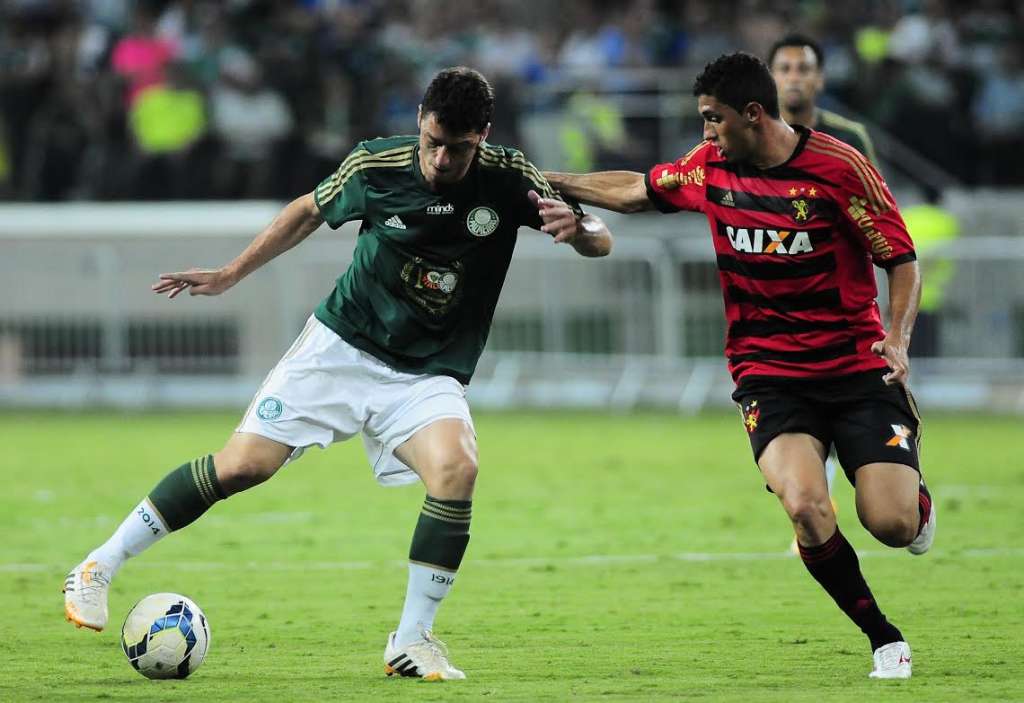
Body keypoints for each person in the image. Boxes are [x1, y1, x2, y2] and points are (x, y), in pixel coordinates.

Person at [63, 66, 614, 681]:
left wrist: (583, 230)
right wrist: (229, 274)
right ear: (420, 125)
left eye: (456, 148)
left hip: (425, 373)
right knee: (243, 466)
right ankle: (97, 566)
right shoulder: (375, 167)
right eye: (432, 142)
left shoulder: (510, 178)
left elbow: (598, 238)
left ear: (481, 136)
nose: (440, 159)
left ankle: (412, 640)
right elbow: (305, 211)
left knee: (457, 468)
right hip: (340, 350)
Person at [545, 52, 934, 680]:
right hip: (769, 373)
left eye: (711, 119)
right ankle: (882, 636)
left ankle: (914, 496)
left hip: (856, 369)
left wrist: (899, 340)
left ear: (752, 115)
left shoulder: (840, 168)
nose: (704, 132)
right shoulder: (711, 167)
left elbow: (902, 257)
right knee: (806, 506)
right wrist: (549, 179)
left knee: (891, 524)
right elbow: (638, 190)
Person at [767, 33, 880, 551]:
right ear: (770, 78)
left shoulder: (848, 138)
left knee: (851, 414)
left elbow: (876, 218)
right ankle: (815, 507)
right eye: (785, 68)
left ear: (820, 79)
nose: (794, 77)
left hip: (842, 307)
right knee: (791, 422)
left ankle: (892, 483)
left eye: (803, 68)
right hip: (778, 314)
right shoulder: (752, 141)